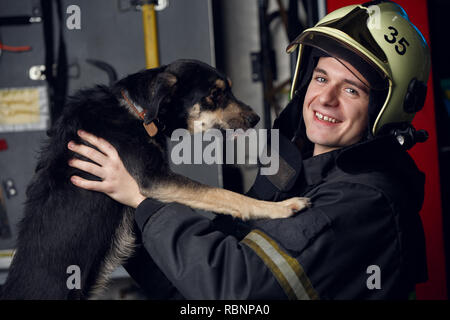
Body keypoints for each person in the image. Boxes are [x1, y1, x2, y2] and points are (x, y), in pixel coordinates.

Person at [66, 1, 430, 299]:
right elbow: (190, 288)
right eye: (321, 78)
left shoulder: (365, 201)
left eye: (352, 90)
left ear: (386, 107)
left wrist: (144, 203)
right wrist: (121, 215)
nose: (326, 98)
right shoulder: (299, 171)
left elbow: (240, 293)